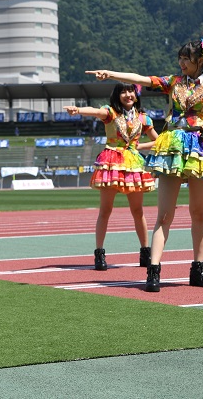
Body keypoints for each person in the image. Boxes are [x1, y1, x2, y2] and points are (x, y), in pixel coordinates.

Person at [87, 38, 203, 292]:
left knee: (198, 213)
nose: (181, 63)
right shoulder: (173, 82)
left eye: (186, 59)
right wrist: (111, 74)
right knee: (164, 215)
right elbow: (142, 79)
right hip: (171, 147)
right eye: (180, 58)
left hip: (199, 149)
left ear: (200, 60)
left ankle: (198, 269)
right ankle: (153, 271)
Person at [64, 82, 158, 271]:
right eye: (123, 92)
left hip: (134, 165)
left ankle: (145, 252)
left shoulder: (144, 118)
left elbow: (158, 141)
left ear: (136, 95)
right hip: (112, 162)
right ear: (117, 95)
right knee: (105, 210)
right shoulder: (110, 112)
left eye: (131, 91)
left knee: (137, 211)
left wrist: (140, 146)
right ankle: (99, 254)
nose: (128, 95)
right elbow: (95, 112)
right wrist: (78, 110)